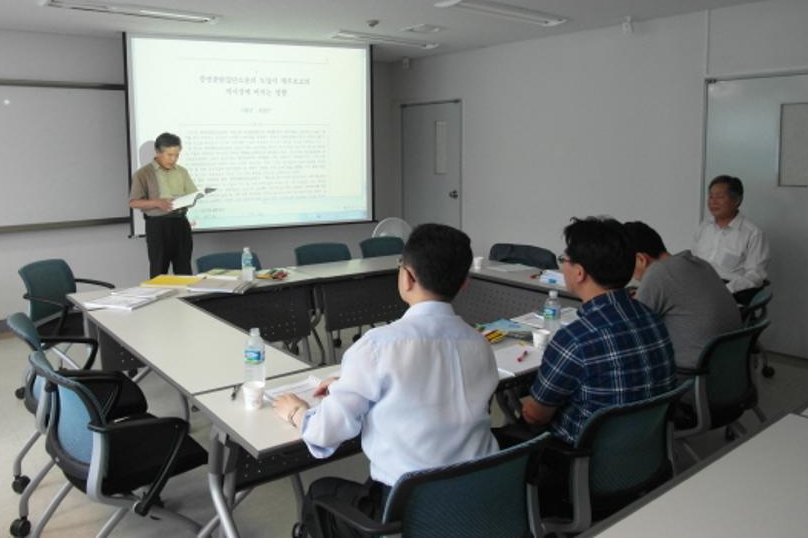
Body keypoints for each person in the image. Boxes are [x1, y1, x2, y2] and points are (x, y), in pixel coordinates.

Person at [273, 223, 499, 538]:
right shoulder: (480, 344)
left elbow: (325, 432)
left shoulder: (378, 346)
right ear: (464, 284)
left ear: (406, 277)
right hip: (476, 500)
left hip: (407, 511)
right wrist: (348, 380)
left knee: (320, 491)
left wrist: (296, 411)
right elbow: (434, 379)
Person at [496, 217, 675, 512]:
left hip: (582, 466)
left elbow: (536, 417)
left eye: (563, 258)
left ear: (578, 272)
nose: (562, 264)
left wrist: (518, 401)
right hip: (645, 454)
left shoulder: (575, 339)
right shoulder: (652, 317)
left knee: (502, 430)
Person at [624, 221, 741, 369]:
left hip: (692, 375)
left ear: (641, 259)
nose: (630, 275)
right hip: (728, 366)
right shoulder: (699, 263)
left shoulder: (657, 273)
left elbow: (631, 329)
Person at [692, 175, 770, 305]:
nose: (713, 202)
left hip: (730, 292)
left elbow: (755, 276)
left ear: (736, 200)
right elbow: (693, 260)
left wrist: (726, 290)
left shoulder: (753, 234)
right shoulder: (705, 226)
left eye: (720, 197)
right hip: (699, 286)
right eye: (711, 196)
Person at [129, 132, 197, 277]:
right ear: (158, 152)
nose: (173, 159)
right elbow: (134, 202)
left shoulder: (182, 172)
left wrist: (191, 199)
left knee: (184, 269)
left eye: (176, 155)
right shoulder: (143, 173)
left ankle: (186, 299)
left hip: (180, 223)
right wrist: (157, 202)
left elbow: (192, 194)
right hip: (158, 226)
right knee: (159, 270)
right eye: (169, 155)